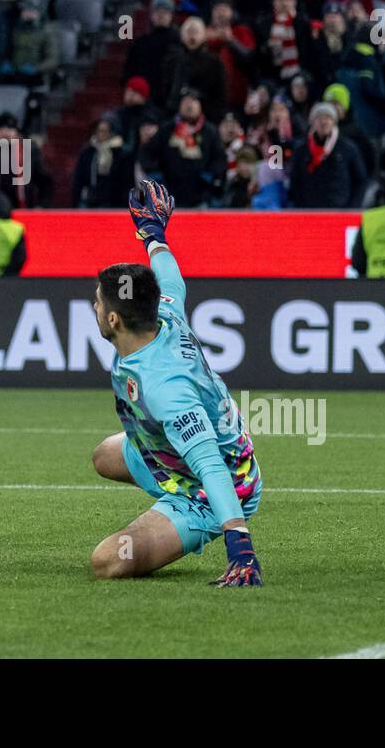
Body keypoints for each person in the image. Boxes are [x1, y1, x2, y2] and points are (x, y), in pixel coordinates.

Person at [87, 180, 263, 585]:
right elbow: (169, 275)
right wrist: (152, 234)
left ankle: (192, 519)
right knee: (103, 457)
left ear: (114, 320)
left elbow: (210, 466)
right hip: (170, 454)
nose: (95, 306)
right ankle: (165, 486)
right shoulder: (164, 314)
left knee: (107, 562)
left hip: (213, 487)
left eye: (99, 301)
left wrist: (241, 547)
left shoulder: (167, 390)